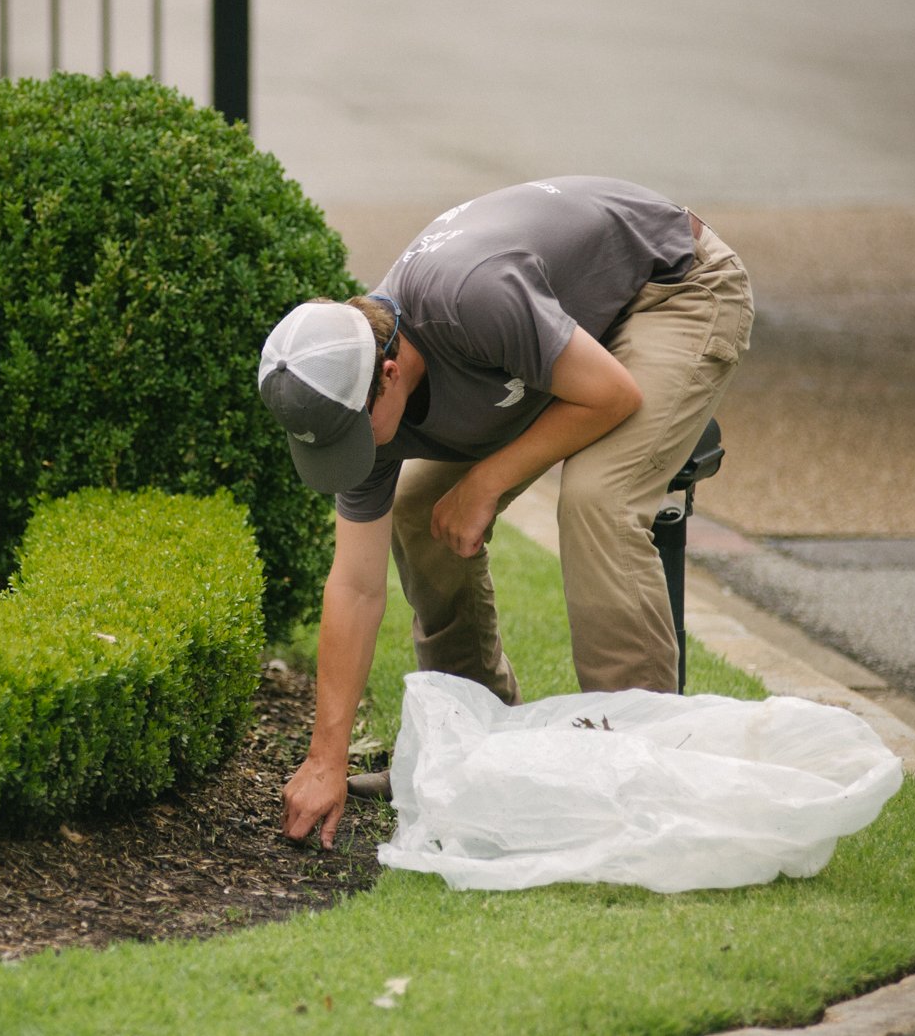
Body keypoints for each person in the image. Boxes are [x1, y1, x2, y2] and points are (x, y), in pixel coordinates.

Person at [258, 176, 754, 849]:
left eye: (356, 432)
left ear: (392, 372)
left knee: (597, 500)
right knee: (418, 509)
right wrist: (326, 760)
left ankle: (642, 765)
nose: (358, 453)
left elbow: (610, 395)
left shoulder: (470, 302)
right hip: (563, 333)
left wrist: (486, 481)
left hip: (672, 288)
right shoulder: (354, 387)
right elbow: (355, 585)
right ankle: (474, 737)